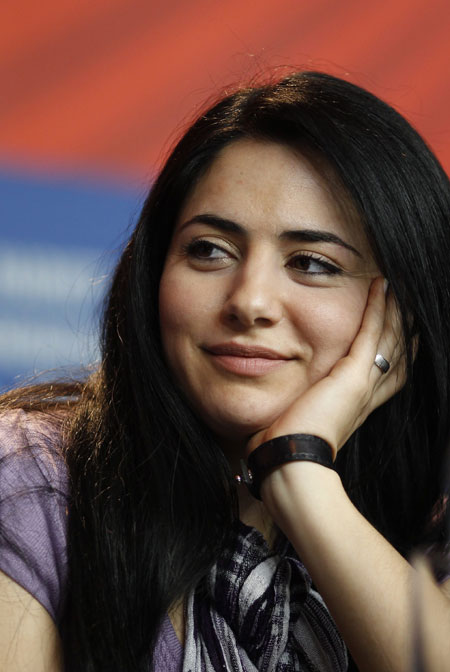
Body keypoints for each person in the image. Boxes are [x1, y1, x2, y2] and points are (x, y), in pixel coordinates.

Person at [1, 70, 450, 672]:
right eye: (210, 250)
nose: (250, 301)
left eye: (312, 263)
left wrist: (300, 472)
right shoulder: (34, 485)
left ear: (403, 313)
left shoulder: (429, 522)